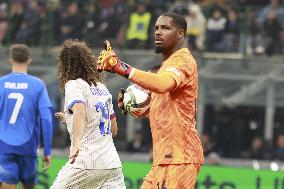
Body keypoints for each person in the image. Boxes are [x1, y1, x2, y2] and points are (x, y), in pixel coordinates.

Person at [97, 12, 204, 189]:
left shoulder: (184, 60)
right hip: (164, 159)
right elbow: (167, 108)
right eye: (156, 28)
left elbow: (162, 85)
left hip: (180, 158)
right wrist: (140, 108)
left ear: (181, 34)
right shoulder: (167, 65)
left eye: (165, 28)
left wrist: (120, 67)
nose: (158, 32)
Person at [51, 39, 125, 189]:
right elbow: (113, 130)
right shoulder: (103, 88)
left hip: (87, 161)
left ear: (66, 64)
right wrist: (69, 119)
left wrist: (76, 143)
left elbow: (79, 109)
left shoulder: (74, 84)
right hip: (112, 164)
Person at [0, 44, 53, 189]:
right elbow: (47, 119)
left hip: (4, 147)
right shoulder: (38, 85)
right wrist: (47, 151)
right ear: (29, 60)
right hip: (28, 148)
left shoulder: (1, 84)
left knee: (7, 183)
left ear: (11, 60)